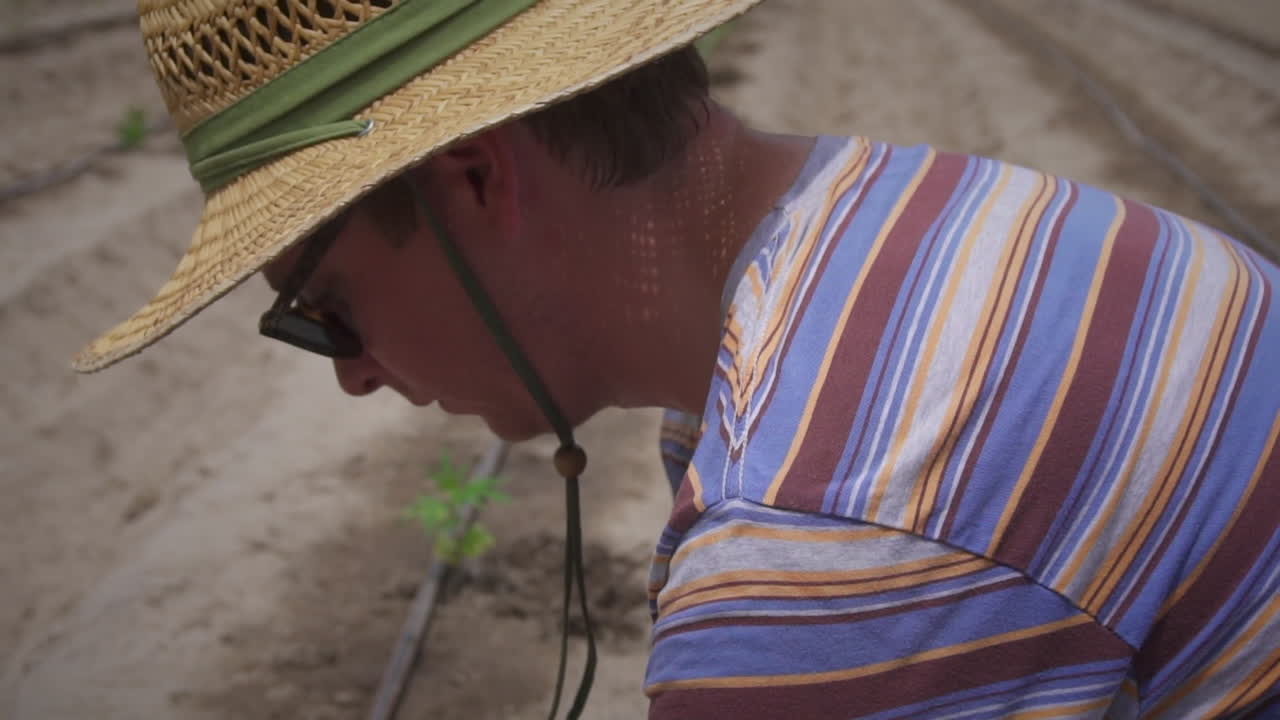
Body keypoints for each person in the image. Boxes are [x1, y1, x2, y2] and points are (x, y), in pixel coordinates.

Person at [75, 1, 1279, 717]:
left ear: (478, 178)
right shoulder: (919, 212)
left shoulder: (813, 544)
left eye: (316, 302)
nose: (345, 370)